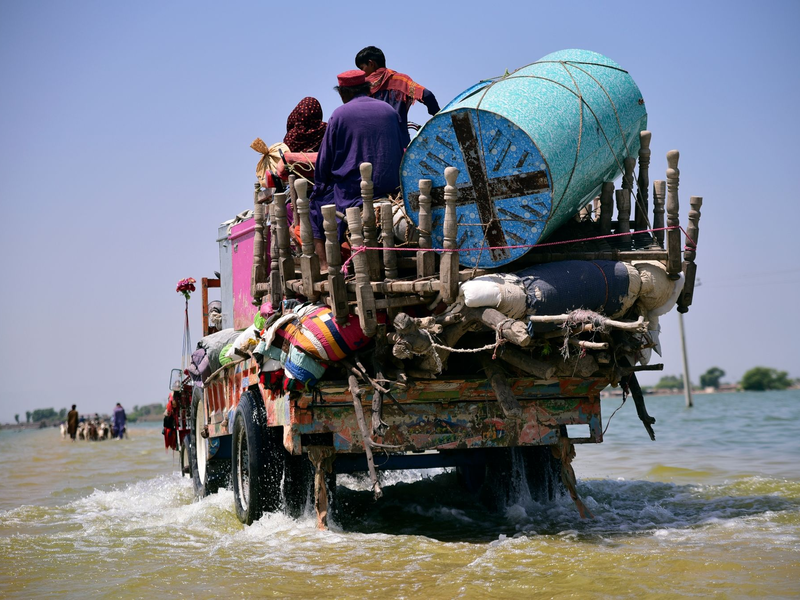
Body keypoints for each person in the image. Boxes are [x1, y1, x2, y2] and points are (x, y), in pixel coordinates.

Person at [309, 69, 404, 268]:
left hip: (353, 193)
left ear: (343, 93)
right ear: (367, 89)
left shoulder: (339, 115)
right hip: (393, 190)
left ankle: (326, 265)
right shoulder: (389, 110)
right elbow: (403, 147)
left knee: (315, 205)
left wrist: (320, 188)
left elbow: (324, 163)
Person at [355, 46, 440, 147]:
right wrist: (438, 118)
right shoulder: (401, 80)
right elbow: (427, 95)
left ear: (371, 63)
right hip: (399, 143)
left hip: (372, 144)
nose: (362, 74)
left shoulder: (362, 88)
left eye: (362, 68)